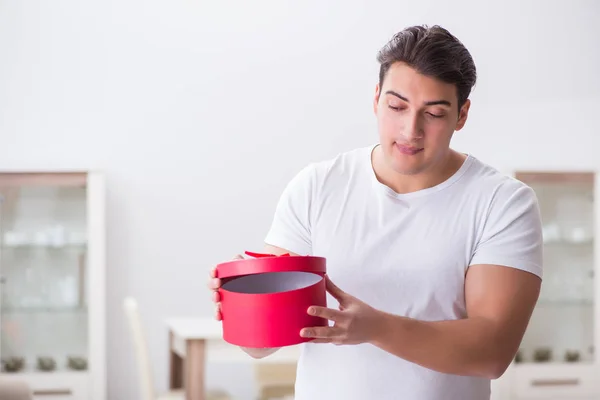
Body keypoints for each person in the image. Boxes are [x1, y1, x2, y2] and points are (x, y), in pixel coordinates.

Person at [208, 24, 542, 400]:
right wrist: (240, 300)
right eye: (396, 107)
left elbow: (492, 352)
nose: (410, 129)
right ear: (376, 98)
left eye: (432, 113)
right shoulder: (317, 186)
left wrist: (376, 328)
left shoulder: (503, 202)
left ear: (461, 115)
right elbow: (260, 345)